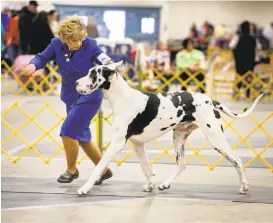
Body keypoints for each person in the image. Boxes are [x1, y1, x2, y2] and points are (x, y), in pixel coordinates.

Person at [24, 15, 113, 184]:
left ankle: (71, 169)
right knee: (82, 138)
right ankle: (104, 170)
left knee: (68, 131)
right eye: (73, 41)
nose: (78, 43)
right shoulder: (56, 44)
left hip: (90, 96)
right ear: (64, 39)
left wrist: (109, 62)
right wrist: (33, 65)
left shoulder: (90, 44)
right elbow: (42, 57)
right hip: (70, 96)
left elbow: (102, 57)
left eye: (80, 39)